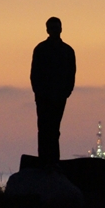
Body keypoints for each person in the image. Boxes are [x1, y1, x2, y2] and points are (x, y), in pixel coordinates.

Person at [30, 17, 76, 164]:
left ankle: (54, 161)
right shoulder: (40, 49)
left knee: (55, 129)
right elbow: (34, 74)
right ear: (47, 30)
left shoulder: (68, 51)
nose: (55, 30)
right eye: (52, 27)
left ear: (61, 29)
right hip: (43, 97)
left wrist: (65, 93)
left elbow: (71, 74)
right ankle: (44, 161)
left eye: (57, 27)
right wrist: (39, 93)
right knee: (43, 129)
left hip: (59, 97)